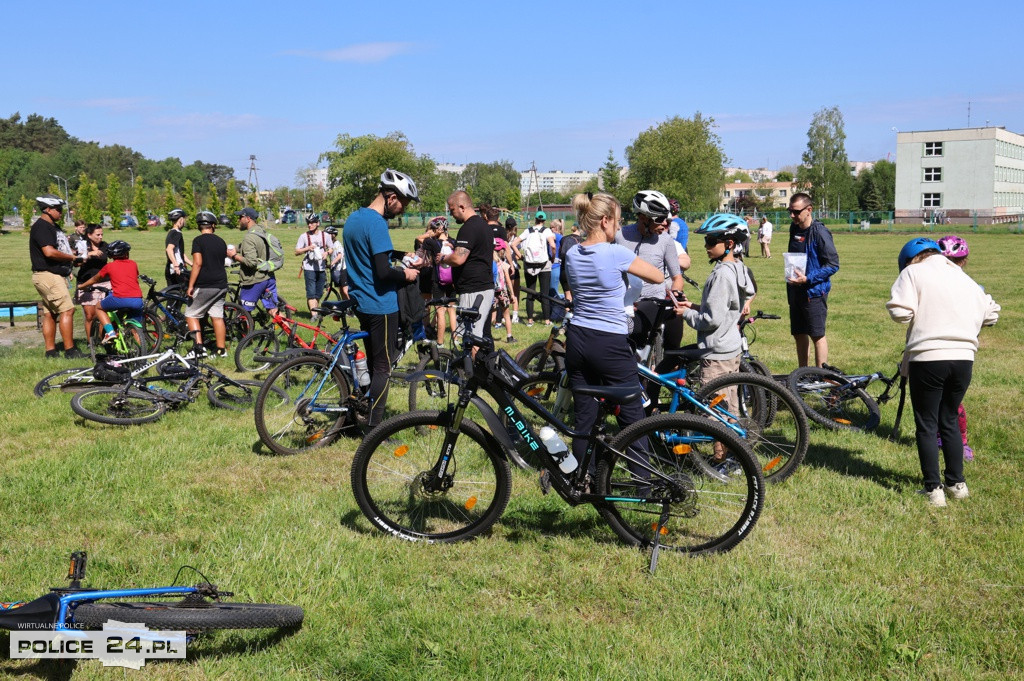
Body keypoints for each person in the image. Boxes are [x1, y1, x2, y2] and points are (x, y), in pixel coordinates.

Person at [886, 238, 999, 507]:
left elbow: (900, 312)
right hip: (964, 359)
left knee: (926, 424)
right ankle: (957, 484)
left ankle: (933, 490)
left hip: (928, 357)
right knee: (948, 419)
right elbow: (991, 314)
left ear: (909, 260)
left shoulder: (914, 272)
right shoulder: (965, 279)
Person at [563, 192, 664, 470]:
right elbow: (657, 276)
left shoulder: (572, 252)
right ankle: (645, 484)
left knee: (585, 416)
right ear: (605, 221)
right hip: (608, 341)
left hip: (577, 337)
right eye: (618, 222)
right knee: (632, 415)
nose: (619, 228)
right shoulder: (616, 253)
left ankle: (583, 476)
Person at [342, 168, 420, 428]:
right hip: (381, 304)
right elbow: (384, 272)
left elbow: (371, 253)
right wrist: (406, 274)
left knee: (375, 363)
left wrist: (398, 253)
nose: (403, 210)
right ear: (391, 196)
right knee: (383, 369)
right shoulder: (377, 223)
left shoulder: (355, 218)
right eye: (403, 204)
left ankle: (362, 414)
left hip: (361, 301)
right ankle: (375, 430)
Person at [678, 214, 757, 455]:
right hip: (731, 348)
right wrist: (692, 305)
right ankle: (735, 454)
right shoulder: (739, 268)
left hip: (716, 351)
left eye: (712, 241)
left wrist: (685, 315)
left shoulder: (721, 274)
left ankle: (721, 458)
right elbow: (730, 305)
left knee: (713, 409)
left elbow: (710, 320)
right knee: (729, 405)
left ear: (730, 244)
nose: (706, 246)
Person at [616, 190, 688, 358]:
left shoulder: (666, 240)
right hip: (624, 300)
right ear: (643, 218)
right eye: (660, 219)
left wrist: (675, 293)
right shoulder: (620, 237)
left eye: (667, 219)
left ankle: (670, 362)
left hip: (652, 300)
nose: (665, 224)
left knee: (637, 328)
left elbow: (677, 277)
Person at [936, 234, 978, 461]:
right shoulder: (930, 284)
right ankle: (937, 435)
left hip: (957, 350)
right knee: (933, 402)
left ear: (963, 262)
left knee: (952, 403)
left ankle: (960, 440)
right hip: (933, 350)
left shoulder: (970, 287)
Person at [29, 194, 85, 359]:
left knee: (50, 314)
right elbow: (49, 251)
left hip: (50, 275)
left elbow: (58, 249)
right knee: (68, 310)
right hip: (48, 275)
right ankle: (70, 351)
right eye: (58, 209)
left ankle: (51, 352)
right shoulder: (42, 227)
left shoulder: (52, 226)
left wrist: (73, 255)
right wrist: (72, 258)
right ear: (47, 209)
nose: (61, 212)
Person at [786, 192, 839, 368]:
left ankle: (820, 377)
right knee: (799, 333)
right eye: (790, 211)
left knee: (817, 334)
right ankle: (802, 375)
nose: (792, 215)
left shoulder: (820, 232)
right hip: (795, 290)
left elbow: (832, 264)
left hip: (813, 292)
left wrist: (808, 279)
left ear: (809, 210)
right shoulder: (794, 228)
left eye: (796, 211)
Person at [439, 191, 494, 347]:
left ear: (461, 206)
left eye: (452, 210)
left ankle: (472, 371)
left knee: (471, 338)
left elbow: (458, 258)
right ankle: (486, 370)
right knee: (483, 335)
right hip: (483, 286)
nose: (452, 214)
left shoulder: (468, 227)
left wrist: (444, 258)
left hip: (473, 289)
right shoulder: (483, 225)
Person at [76, 240, 144, 344]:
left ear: (111, 256)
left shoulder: (109, 266)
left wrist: (82, 286)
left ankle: (110, 332)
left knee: (98, 307)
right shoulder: (133, 264)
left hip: (119, 298)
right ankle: (141, 351)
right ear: (126, 253)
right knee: (135, 329)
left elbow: (95, 279)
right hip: (138, 300)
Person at [185, 211, 229, 357]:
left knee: (191, 314)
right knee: (217, 316)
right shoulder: (221, 241)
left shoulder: (198, 241)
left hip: (205, 284)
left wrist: (191, 285)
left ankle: (199, 348)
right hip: (221, 283)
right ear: (213, 225)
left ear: (199, 226)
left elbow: (197, 263)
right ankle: (221, 350)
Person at [227, 207, 279, 318]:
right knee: (273, 310)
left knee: (244, 314)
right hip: (269, 277)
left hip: (254, 280)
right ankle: (290, 333)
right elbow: (248, 248)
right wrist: (234, 249)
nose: (239, 220)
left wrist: (234, 256)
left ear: (248, 218)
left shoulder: (249, 237)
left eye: (240, 217)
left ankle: (246, 335)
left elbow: (251, 262)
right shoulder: (261, 232)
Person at [513, 211, 556, 326]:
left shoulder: (528, 231)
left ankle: (530, 320)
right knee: (545, 292)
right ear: (544, 221)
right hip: (544, 265)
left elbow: (513, 244)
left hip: (529, 265)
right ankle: (547, 320)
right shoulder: (547, 231)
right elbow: (553, 245)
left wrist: (521, 257)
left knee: (530, 292)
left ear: (535, 219)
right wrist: (552, 257)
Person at [74, 224, 109, 336]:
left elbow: (104, 257)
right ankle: (90, 341)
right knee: (90, 315)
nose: (100, 237)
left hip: (104, 282)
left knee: (103, 313)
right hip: (86, 282)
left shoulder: (104, 245)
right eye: (97, 235)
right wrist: (89, 254)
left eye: (102, 234)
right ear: (89, 235)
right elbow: (76, 261)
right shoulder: (82, 245)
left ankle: (102, 340)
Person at [295, 212, 332, 318]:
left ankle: (315, 311)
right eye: (308, 223)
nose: (309, 225)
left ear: (317, 223)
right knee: (311, 292)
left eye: (311, 223)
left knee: (319, 293)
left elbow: (331, 248)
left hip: (321, 268)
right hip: (309, 268)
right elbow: (296, 252)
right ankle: (314, 315)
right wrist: (307, 248)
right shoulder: (304, 236)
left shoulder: (325, 236)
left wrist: (327, 253)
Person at [164, 208, 192, 288]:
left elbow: (180, 253)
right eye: (184, 219)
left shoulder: (171, 232)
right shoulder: (177, 233)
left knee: (174, 296)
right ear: (180, 219)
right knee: (181, 294)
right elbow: (169, 249)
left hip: (171, 268)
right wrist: (176, 265)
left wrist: (191, 264)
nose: (184, 221)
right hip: (177, 270)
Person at [504, 217, 521, 323]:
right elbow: (518, 256)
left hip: (503, 267)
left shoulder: (502, 237)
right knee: (515, 293)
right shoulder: (516, 239)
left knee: (504, 292)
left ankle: (503, 315)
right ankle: (515, 316)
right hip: (513, 267)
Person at [325, 225, 349, 300]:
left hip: (342, 269)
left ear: (333, 235)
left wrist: (331, 264)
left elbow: (339, 256)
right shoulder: (330, 245)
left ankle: (351, 306)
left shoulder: (337, 244)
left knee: (345, 290)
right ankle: (345, 306)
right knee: (341, 290)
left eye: (327, 234)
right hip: (336, 269)